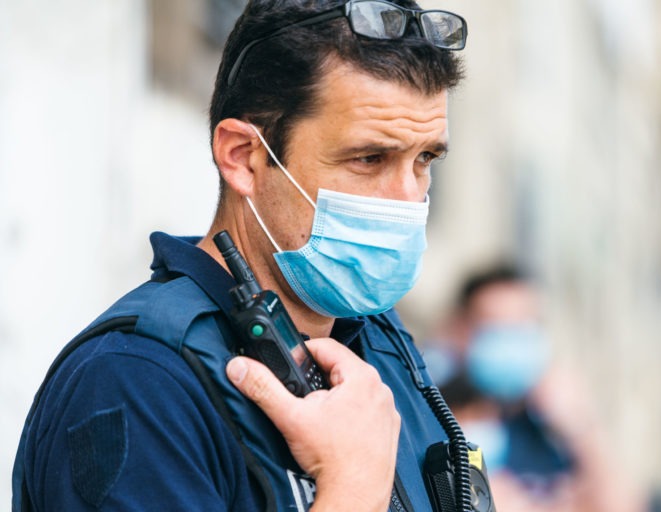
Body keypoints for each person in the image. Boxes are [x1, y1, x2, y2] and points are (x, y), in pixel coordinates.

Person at [12, 1, 470, 510]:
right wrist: (352, 488)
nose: (409, 199)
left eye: (425, 159)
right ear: (243, 158)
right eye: (368, 158)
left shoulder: (381, 345)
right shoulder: (136, 380)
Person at [427, 264, 645, 511]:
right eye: (498, 326)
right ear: (460, 330)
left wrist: (583, 428)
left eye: (523, 326)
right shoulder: (434, 418)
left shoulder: (553, 427)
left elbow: (623, 506)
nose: (512, 342)